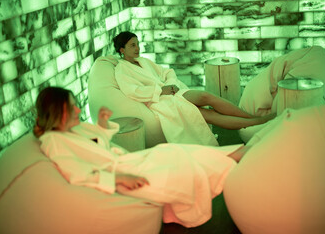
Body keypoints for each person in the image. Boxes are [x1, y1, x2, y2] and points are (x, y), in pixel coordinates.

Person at [34, 86, 247, 227]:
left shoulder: (70, 130)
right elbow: (77, 173)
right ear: (58, 111)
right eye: (72, 106)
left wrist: (101, 125)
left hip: (127, 163)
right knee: (178, 163)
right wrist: (119, 178)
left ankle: (238, 154)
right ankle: (239, 159)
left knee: (173, 151)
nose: (78, 110)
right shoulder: (53, 142)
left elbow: (98, 145)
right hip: (122, 176)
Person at [113, 31, 275, 146]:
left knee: (205, 96)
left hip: (171, 93)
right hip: (159, 101)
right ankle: (256, 121)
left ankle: (251, 118)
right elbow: (131, 91)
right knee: (207, 115)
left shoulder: (144, 61)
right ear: (122, 50)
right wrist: (161, 91)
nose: (137, 48)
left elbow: (167, 72)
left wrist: (170, 84)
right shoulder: (122, 69)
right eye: (133, 45)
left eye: (138, 44)